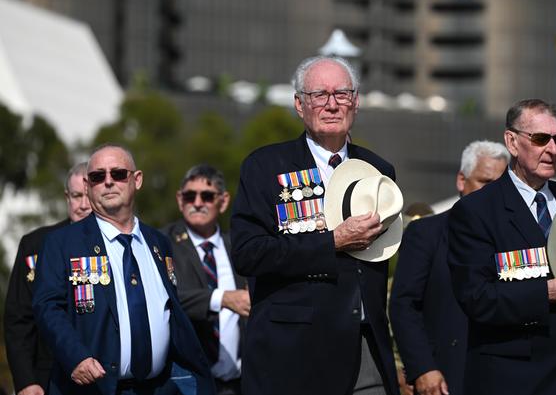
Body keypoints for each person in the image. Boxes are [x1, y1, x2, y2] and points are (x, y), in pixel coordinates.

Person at [230, 56, 400, 395]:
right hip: (294, 353)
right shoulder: (266, 166)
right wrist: (331, 242)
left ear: (356, 101)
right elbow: (249, 254)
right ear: (299, 104)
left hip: (365, 349)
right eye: (319, 94)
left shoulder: (379, 170)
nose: (331, 104)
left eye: (341, 93)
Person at [447, 99, 556, 395]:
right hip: (515, 378)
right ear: (512, 142)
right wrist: (555, 290)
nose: (552, 149)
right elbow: (477, 298)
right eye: (540, 139)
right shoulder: (478, 210)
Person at [32, 144, 215, 395]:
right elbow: (47, 307)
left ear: (136, 180)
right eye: (98, 177)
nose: (108, 182)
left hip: (158, 387)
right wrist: (75, 356)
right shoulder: (62, 243)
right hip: (93, 388)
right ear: (87, 186)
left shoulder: (158, 242)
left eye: (118, 174)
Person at [390, 140, 509, 395]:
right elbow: (404, 305)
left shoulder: (515, 239)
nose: (493, 193)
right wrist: (422, 368)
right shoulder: (426, 233)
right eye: (485, 182)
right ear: (461, 181)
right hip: (443, 377)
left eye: (501, 186)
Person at [161, 164, 249, 395]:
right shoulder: (161, 244)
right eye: (190, 196)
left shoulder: (240, 247)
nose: (197, 203)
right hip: (188, 384)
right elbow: (165, 299)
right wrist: (221, 298)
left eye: (207, 196)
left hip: (240, 382)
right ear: (180, 200)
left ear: (223, 201)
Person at [5, 162, 91, 395]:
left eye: (89, 196)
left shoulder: (115, 245)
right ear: (66, 197)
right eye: (76, 196)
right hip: (47, 379)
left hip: (100, 376)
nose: (83, 205)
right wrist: (25, 381)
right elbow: (19, 321)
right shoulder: (35, 245)